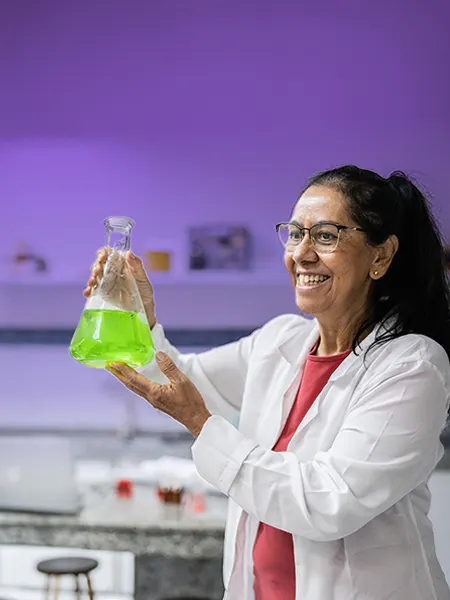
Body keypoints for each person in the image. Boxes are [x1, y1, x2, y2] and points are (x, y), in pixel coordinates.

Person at [85, 165, 450, 600]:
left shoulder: (411, 366)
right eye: (295, 234)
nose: (302, 253)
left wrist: (203, 424)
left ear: (381, 256)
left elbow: (329, 502)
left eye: (327, 235)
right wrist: (137, 315)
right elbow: (183, 381)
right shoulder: (282, 340)